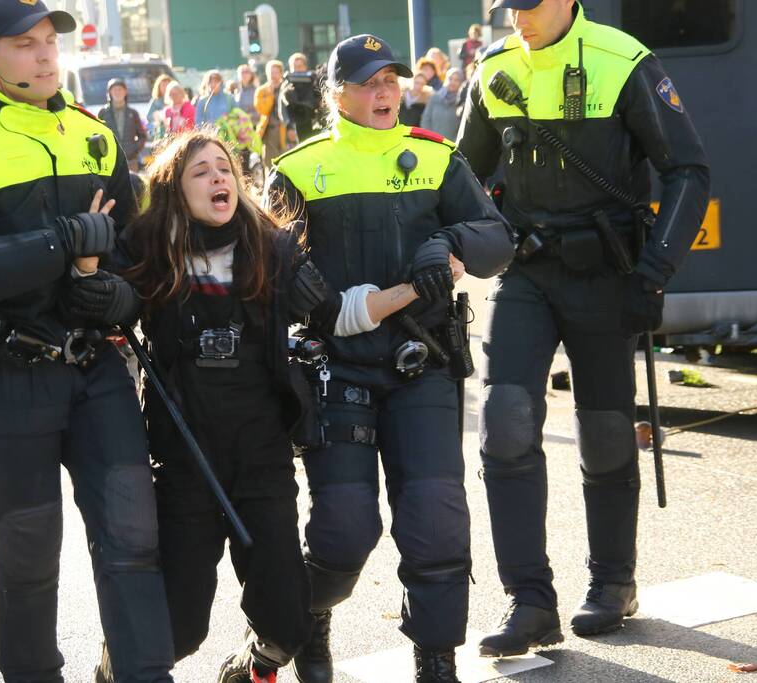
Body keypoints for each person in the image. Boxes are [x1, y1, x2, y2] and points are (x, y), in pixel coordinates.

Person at [0, 1, 176, 680]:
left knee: (133, 537)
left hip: (98, 366)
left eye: (48, 41)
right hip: (7, 370)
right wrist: (60, 242)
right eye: (24, 44)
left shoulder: (95, 135)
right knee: (28, 551)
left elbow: (134, 255)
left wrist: (119, 293)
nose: (43, 53)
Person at [457, 0, 709, 656]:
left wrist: (652, 271)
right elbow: (459, 182)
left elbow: (688, 169)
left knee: (602, 432)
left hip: (607, 275)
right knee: (505, 422)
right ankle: (529, 601)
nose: (518, 17)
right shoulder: (492, 68)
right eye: (507, 5)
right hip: (525, 275)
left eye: (530, 4)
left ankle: (613, 583)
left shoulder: (623, 60)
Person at [266, 34, 514, 683]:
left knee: (435, 524)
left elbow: (495, 240)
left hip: (421, 365)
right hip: (335, 370)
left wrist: (449, 239)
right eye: (368, 81)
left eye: (390, 80)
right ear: (336, 92)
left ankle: (435, 659)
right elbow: (274, 275)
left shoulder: (436, 157)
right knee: (343, 531)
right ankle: (307, 621)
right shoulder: (298, 167)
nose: (383, 91)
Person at [118, 130, 327, 683]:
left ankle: (253, 666)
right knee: (180, 629)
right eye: (201, 171)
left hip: (261, 454)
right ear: (174, 191)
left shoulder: (274, 248)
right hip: (185, 459)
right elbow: (103, 303)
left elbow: (337, 313)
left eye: (225, 169)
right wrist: (105, 293)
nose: (218, 179)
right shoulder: (149, 252)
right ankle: (113, 671)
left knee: (287, 621)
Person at [98, 79, 148, 172]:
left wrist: (134, 150)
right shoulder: (103, 113)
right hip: (109, 160)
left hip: (131, 161)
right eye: (114, 90)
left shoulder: (133, 113)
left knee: (131, 185)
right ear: (109, 92)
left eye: (120, 89)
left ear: (125, 92)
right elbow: (97, 134)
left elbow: (143, 136)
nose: (118, 92)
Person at [255, 60, 292, 168]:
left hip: (285, 129)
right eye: (271, 72)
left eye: (276, 72)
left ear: (281, 73)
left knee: (286, 161)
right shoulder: (262, 91)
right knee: (270, 164)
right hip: (270, 131)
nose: (273, 75)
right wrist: (270, 94)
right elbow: (263, 110)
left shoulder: (287, 88)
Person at [281, 53, 319, 142]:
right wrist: (289, 126)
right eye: (295, 66)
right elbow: (282, 108)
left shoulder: (314, 82)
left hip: (313, 123)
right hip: (296, 125)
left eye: (300, 66)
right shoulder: (286, 85)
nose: (297, 69)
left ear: (305, 67)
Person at [421, 68, 465, 140]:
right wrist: (430, 138)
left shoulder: (463, 102)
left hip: (454, 145)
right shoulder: (435, 98)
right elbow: (426, 119)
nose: (452, 82)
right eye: (450, 79)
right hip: (434, 143)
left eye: (457, 80)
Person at [146, 73, 174, 140]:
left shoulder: (175, 99)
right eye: (163, 85)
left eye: (167, 85)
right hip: (159, 132)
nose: (165, 87)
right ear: (159, 87)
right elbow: (149, 116)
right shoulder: (155, 101)